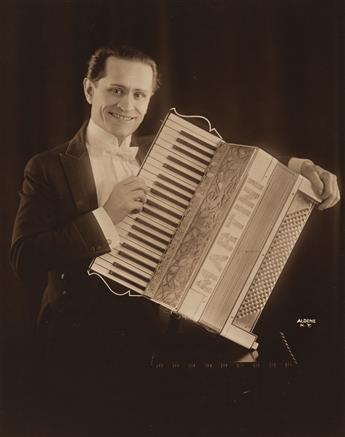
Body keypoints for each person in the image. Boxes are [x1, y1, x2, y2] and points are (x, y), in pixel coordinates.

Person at [9, 45, 340, 419]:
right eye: (115, 90)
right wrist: (106, 216)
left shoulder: (171, 151)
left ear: (150, 99)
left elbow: (239, 165)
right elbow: (25, 259)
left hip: (163, 340)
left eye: (139, 94)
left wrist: (303, 167)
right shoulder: (47, 167)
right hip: (82, 344)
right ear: (90, 90)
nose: (127, 105)